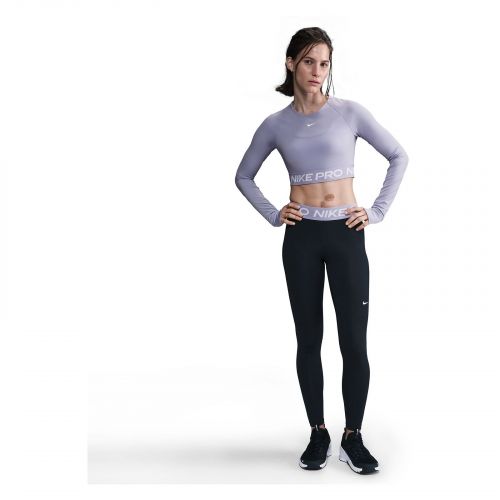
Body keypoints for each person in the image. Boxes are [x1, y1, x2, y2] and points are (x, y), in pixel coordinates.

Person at [234, 27, 409, 474]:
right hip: (302, 239)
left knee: (353, 339)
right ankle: (318, 432)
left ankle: (353, 436)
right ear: (291, 63)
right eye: (309, 61)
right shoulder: (275, 124)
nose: (317, 71)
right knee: (308, 339)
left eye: (325, 63)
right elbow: (243, 176)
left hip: (346, 234)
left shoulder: (349, 113)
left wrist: (377, 211)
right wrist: (275, 214)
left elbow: (398, 156)